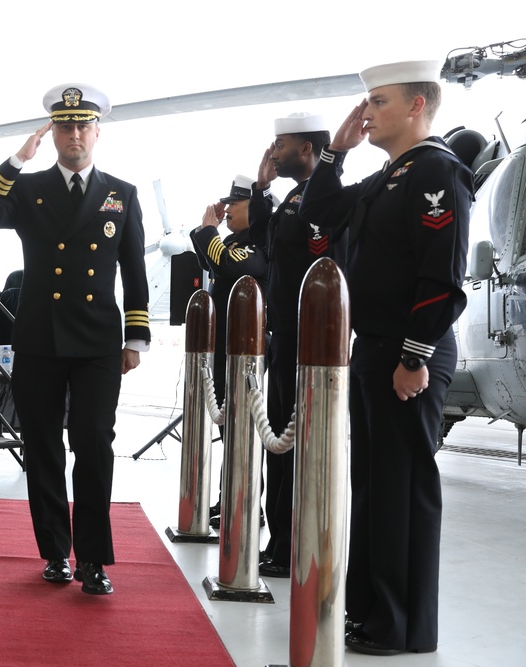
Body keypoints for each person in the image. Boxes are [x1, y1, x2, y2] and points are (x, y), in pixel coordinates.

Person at [299, 60, 472, 656]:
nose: (366, 112)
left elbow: (441, 274)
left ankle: (402, 626)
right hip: (373, 349)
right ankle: (369, 612)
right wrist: (334, 153)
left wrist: (415, 353)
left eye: (379, 101)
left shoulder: (436, 173)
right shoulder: (386, 177)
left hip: (407, 352)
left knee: (401, 488)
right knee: (372, 487)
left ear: (417, 106)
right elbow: (317, 215)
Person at [0, 83, 150, 596]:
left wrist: (135, 337)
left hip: (97, 343)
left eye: (82, 125)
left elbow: (134, 272)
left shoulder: (121, 193)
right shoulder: (27, 187)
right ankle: (54, 552)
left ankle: (93, 558)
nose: (73, 133)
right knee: (42, 446)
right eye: (64, 125)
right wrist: (16, 160)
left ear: (96, 131)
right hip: (40, 337)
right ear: (55, 133)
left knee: (93, 446)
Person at [246, 113, 342, 578]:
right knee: (278, 446)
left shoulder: (321, 202)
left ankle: (288, 545)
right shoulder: (292, 198)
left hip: (307, 341)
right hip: (283, 335)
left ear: (307, 149)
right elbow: (267, 253)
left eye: (281, 144)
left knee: (293, 443)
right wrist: (261, 191)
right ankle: (279, 542)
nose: (273, 151)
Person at [189, 175, 269, 529]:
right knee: (233, 429)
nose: (229, 209)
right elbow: (211, 260)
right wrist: (205, 229)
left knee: (244, 429)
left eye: (234, 204)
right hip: (228, 349)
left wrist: (209, 230)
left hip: (245, 353)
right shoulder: (238, 242)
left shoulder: (257, 244)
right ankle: (232, 497)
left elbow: (230, 264)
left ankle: (246, 499)